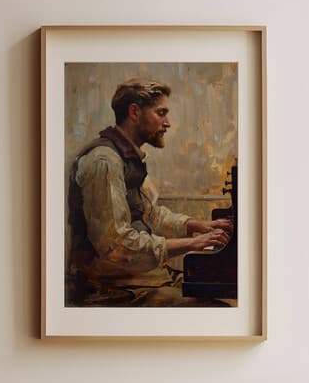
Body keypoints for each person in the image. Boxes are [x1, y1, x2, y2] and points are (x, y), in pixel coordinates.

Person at [66, 78, 232, 304]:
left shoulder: (127, 157)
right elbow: (116, 245)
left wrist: (194, 225)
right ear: (134, 112)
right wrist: (192, 243)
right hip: (113, 289)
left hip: (143, 279)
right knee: (216, 309)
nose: (168, 123)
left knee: (216, 294)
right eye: (161, 113)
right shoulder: (104, 161)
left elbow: (149, 215)